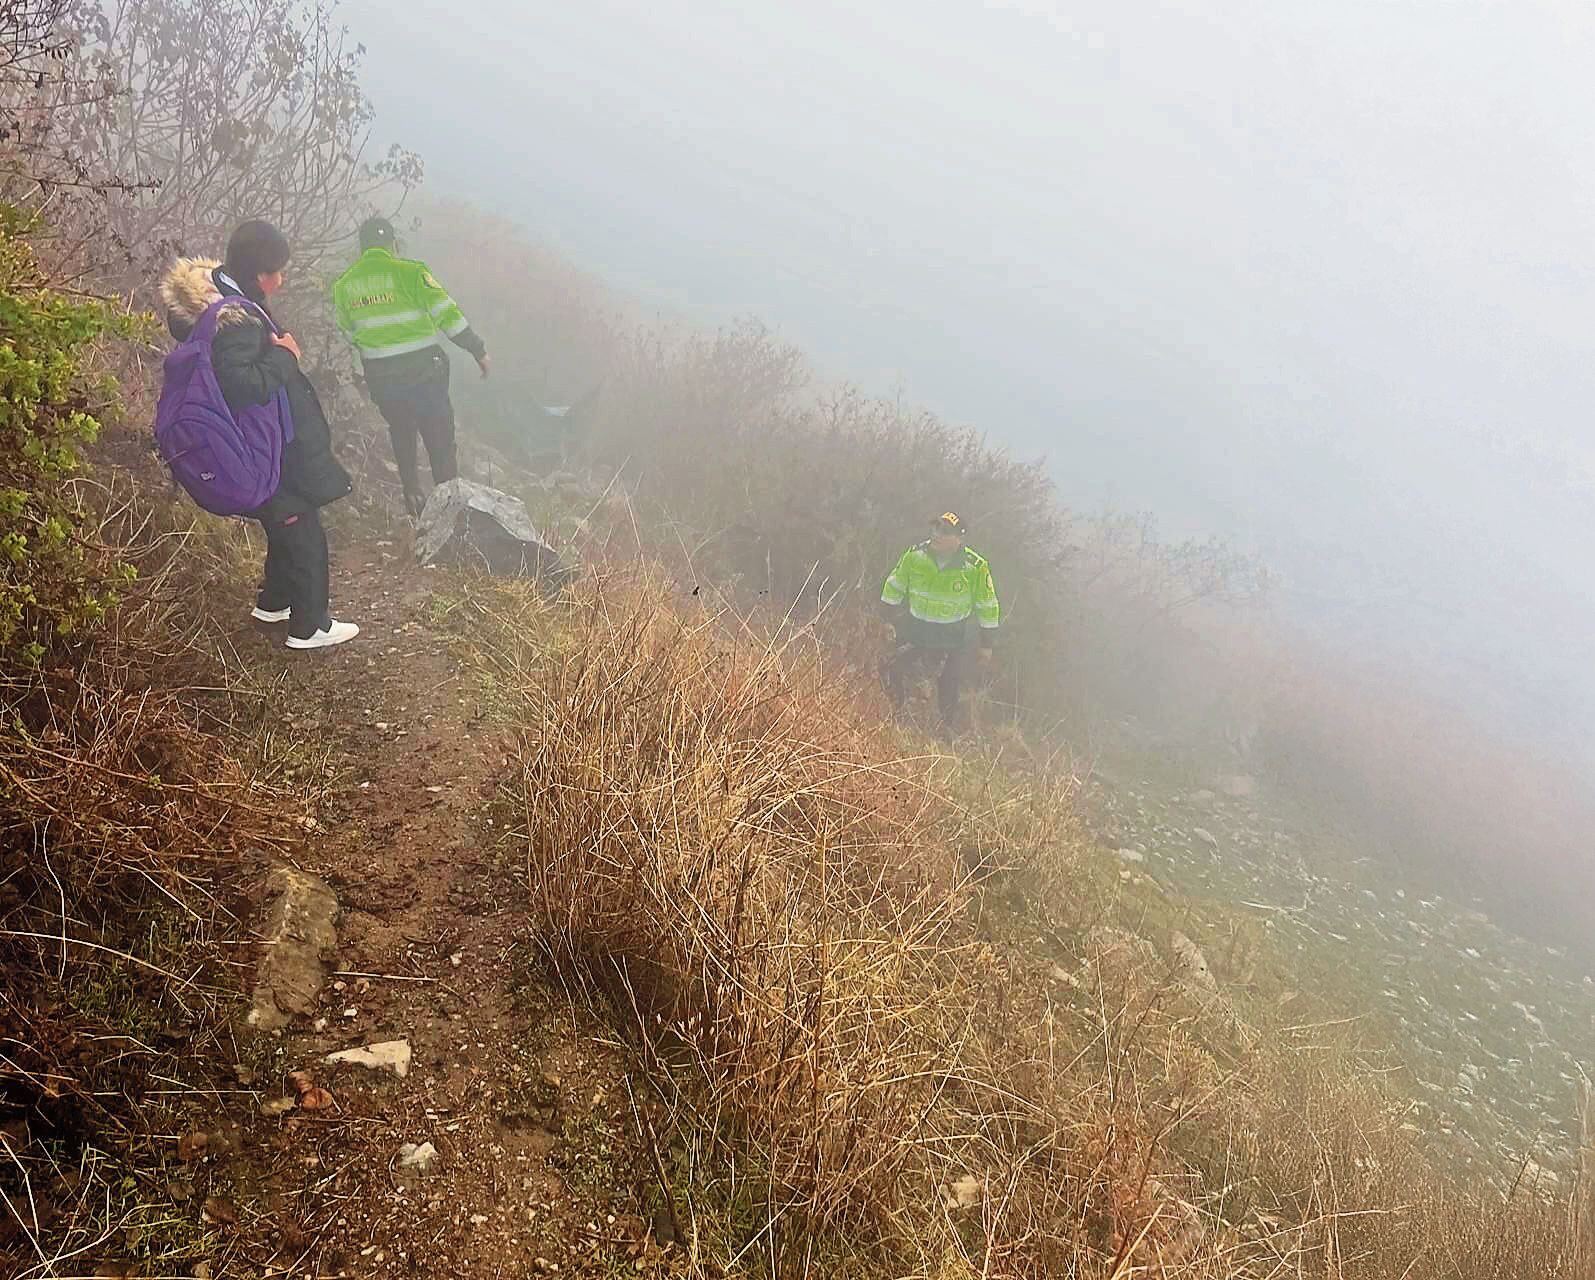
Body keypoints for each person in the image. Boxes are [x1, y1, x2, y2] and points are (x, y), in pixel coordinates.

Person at [160, 221, 358, 650]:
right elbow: (243, 384)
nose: (280, 280)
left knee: (282, 517)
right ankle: (311, 626)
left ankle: (274, 602)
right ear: (255, 271)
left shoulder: (218, 294)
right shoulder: (239, 321)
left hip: (251, 438)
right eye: (274, 271)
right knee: (301, 527)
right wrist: (287, 357)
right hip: (265, 440)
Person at [331, 217, 490, 518]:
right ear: (392, 244)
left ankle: (413, 495)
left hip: (381, 377)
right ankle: (449, 510)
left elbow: (348, 331)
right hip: (424, 372)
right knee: (439, 435)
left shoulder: (344, 286)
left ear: (361, 247)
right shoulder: (412, 272)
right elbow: (447, 315)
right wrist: (477, 349)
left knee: (401, 430)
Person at [879, 512, 1001, 731]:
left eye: (945, 532)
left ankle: (945, 731)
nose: (936, 535)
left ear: (959, 538)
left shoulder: (975, 566)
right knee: (891, 668)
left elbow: (988, 606)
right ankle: (896, 715)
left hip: (952, 637)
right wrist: (886, 620)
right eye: (935, 529)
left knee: (949, 686)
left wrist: (987, 645)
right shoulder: (914, 555)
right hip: (916, 630)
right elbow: (894, 586)